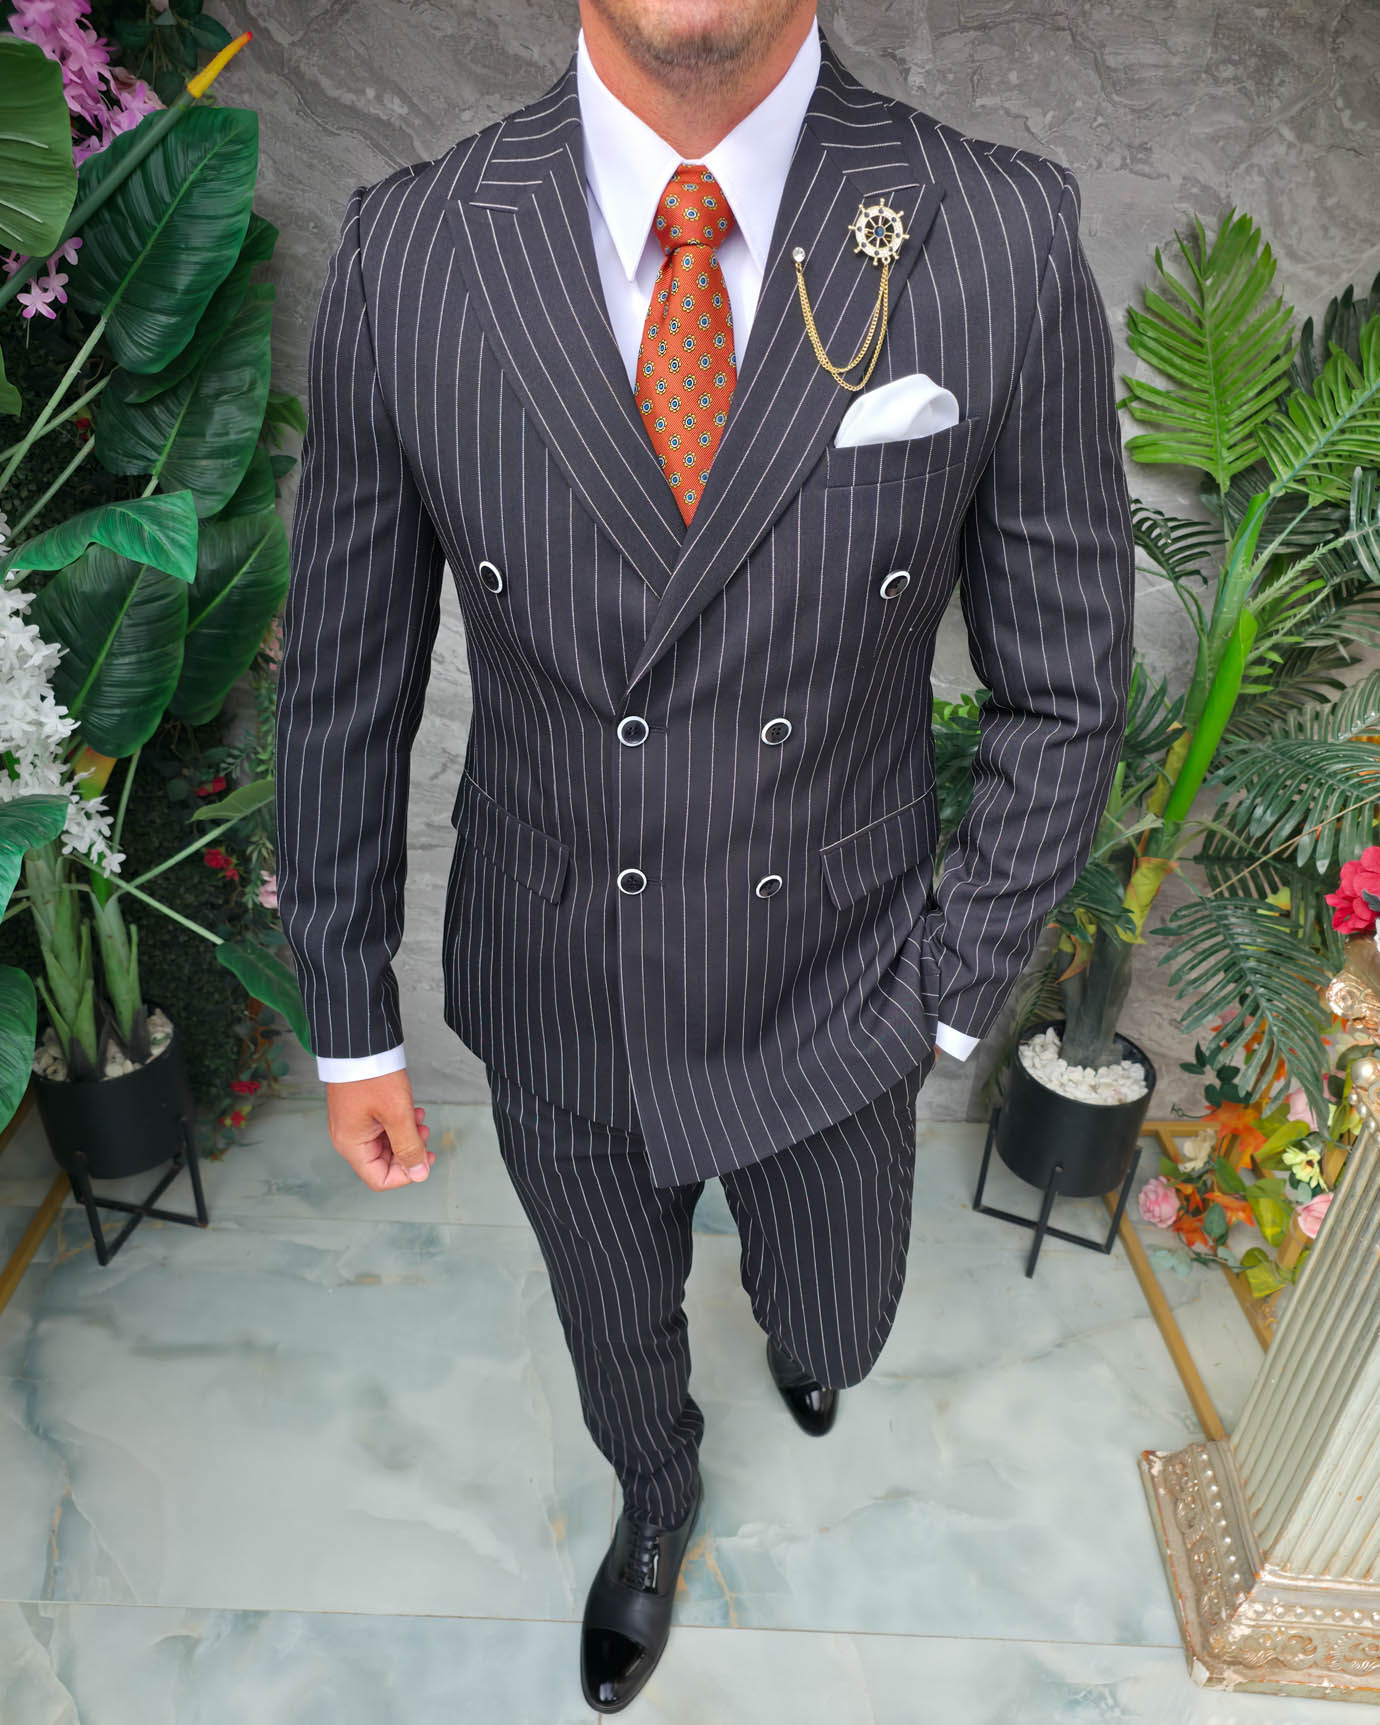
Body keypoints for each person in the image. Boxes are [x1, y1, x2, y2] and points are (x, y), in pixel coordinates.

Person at [275, 0, 1135, 1709]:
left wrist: (950, 995)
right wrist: (350, 1017)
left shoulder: (999, 232)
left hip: (845, 976)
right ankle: (655, 1496)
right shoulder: (411, 249)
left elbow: (1065, 685)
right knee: (613, 1322)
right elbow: (347, 678)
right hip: (556, 964)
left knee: (843, 1317)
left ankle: (805, 1345)